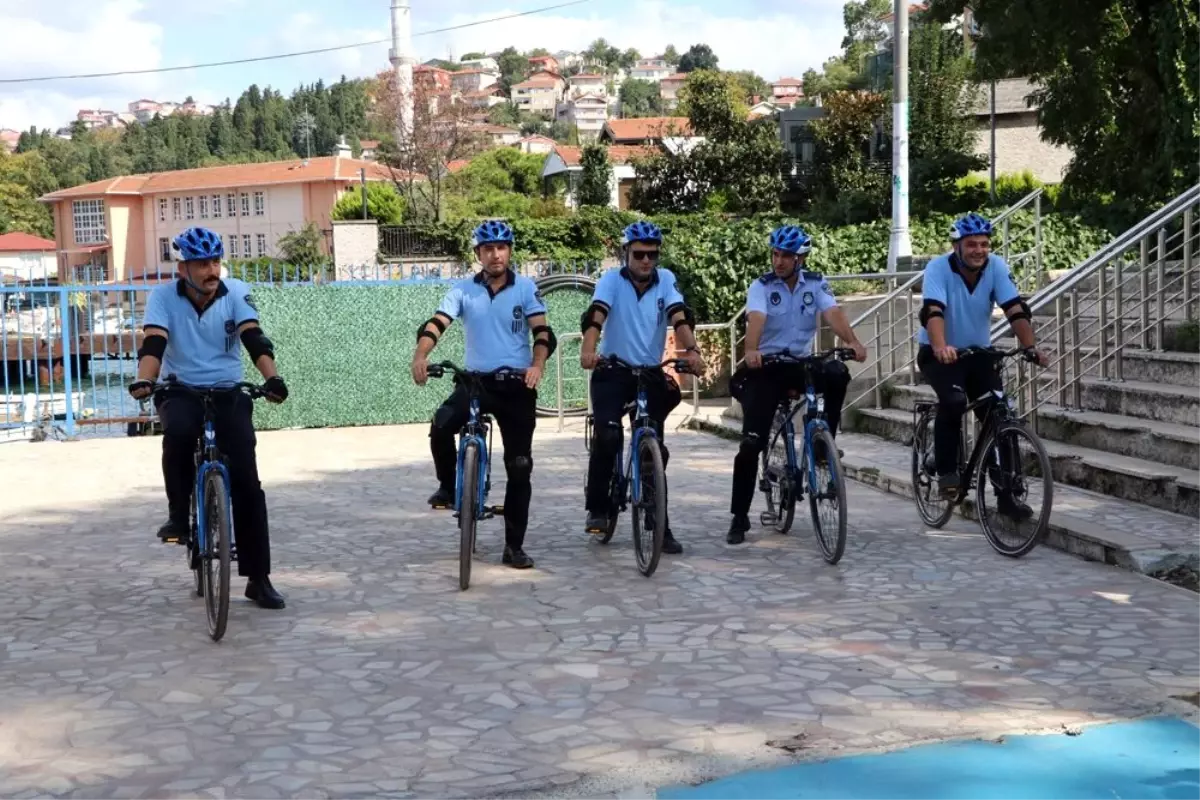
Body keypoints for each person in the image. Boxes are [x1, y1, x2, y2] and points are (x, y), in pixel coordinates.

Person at [128, 226, 289, 610]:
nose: (211, 270)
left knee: (248, 483)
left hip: (227, 391)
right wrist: (145, 379)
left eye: (215, 261)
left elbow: (255, 339)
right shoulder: (163, 297)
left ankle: (258, 578)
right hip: (180, 388)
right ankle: (178, 516)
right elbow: (154, 342)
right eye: (202, 263)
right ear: (183, 268)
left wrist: (273, 378)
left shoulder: (235, 293)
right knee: (179, 432)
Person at [411, 220, 554, 570]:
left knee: (520, 467)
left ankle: (513, 547)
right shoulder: (463, 290)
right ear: (478, 254)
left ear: (509, 251)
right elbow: (436, 323)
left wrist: (537, 365)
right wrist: (421, 354)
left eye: (502, 247)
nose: (495, 254)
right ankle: (448, 486)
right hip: (476, 382)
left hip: (517, 385)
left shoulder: (525, 289)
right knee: (442, 423)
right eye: (488, 249)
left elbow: (543, 332)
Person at [726, 225, 867, 545]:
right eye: (775, 254)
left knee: (837, 372)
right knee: (751, 444)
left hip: (801, 363)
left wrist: (853, 341)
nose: (779, 261)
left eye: (786, 256)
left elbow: (832, 313)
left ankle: (822, 441)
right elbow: (757, 319)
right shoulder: (761, 286)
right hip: (767, 366)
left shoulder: (815, 284)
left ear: (800, 258)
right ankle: (739, 516)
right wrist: (751, 349)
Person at [579, 220, 705, 554]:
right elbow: (596, 316)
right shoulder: (610, 281)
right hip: (613, 371)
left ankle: (658, 525)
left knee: (653, 449)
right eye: (639, 254)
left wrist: (692, 351)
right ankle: (599, 507)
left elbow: (679, 317)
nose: (646, 261)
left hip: (648, 375)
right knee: (607, 434)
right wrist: (588, 349)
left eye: (652, 254)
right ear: (626, 254)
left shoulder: (666, 281)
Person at [917, 212, 1048, 513]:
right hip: (939, 353)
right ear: (957, 246)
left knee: (1001, 415)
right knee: (953, 401)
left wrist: (1031, 347)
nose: (979, 250)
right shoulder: (937, 268)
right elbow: (932, 311)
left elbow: (1014, 308)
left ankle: (1007, 496)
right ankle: (947, 472)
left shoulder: (996, 267)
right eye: (972, 244)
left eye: (984, 244)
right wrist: (940, 346)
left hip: (979, 354)